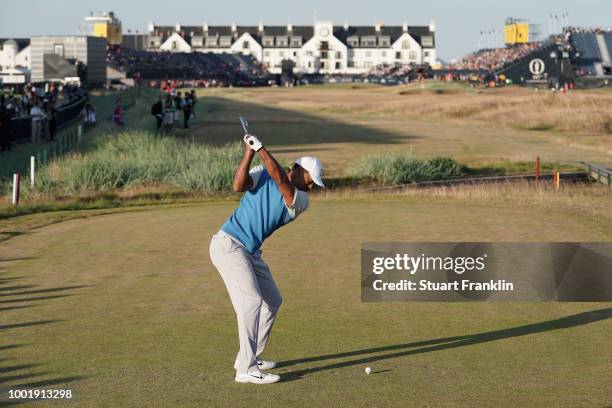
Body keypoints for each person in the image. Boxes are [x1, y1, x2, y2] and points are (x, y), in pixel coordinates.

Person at [209, 133, 325, 384]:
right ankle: (246, 370)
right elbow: (238, 186)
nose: (313, 186)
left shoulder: (301, 200)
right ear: (299, 169)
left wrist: (260, 147)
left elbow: (281, 180)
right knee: (252, 302)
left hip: (249, 251)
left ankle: (249, 356)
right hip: (229, 245)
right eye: (311, 179)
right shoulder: (263, 172)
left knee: (272, 300)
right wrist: (249, 152)